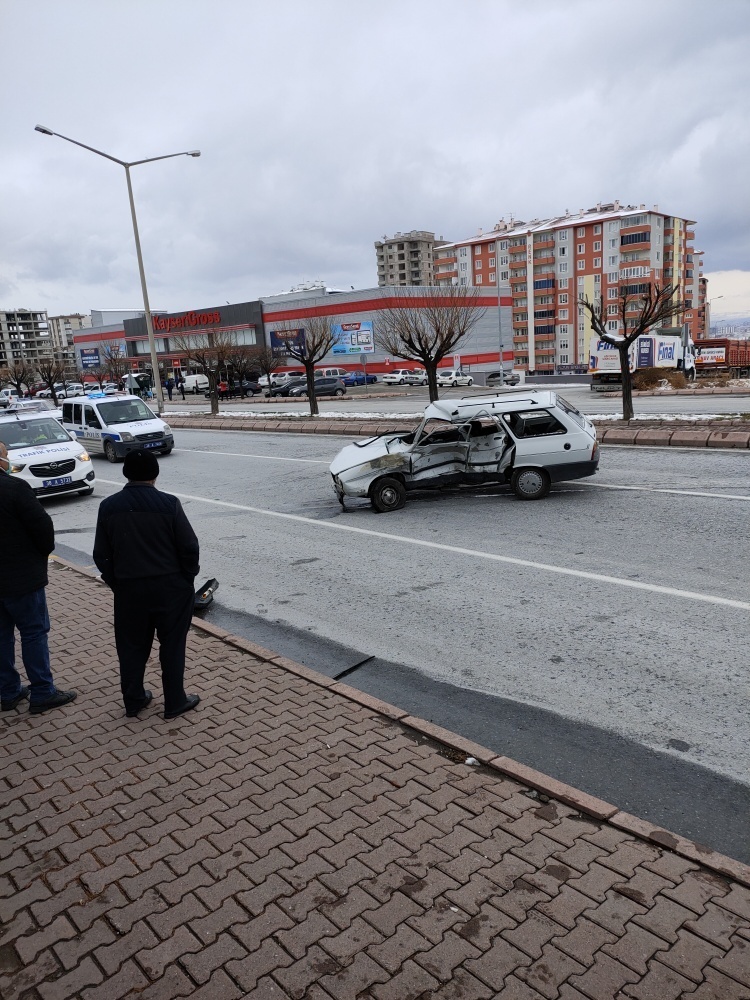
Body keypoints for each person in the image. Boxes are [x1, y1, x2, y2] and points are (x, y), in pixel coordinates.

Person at [93, 450, 201, 720]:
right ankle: (175, 701)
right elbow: (189, 546)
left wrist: (116, 582)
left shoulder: (109, 506)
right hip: (170, 587)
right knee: (172, 643)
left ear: (126, 473)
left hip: (129, 589)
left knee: (131, 645)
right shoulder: (169, 504)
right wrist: (187, 578)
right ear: (155, 473)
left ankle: (134, 700)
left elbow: (101, 554)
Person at [0, 443, 77, 714]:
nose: (7, 459)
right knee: (33, 633)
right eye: (5, 455)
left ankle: (8, 691)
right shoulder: (14, 488)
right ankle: (43, 691)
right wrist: (41, 554)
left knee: (2, 637)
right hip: (21, 578)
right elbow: (43, 527)